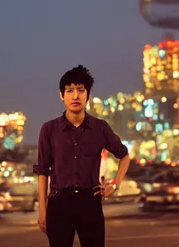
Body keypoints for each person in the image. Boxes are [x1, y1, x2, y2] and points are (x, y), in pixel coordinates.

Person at [34, 65, 129, 247]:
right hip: (59, 204)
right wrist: (42, 211)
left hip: (90, 203)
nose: (75, 96)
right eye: (69, 91)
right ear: (62, 95)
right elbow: (43, 171)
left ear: (88, 95)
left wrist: (114, 185)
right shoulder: (49, 129)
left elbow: (124, 155)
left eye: (80, 90)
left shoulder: (100, 127)